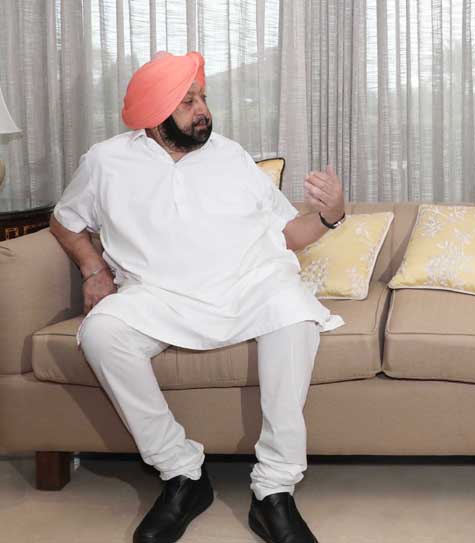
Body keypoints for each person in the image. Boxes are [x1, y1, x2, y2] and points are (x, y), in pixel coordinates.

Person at [49, 51, 345, 543]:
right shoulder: (105, 161)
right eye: (187, 101)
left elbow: (289, 234)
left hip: (249, 286)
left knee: (295, 314)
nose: (202, 108)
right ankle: (183, 474)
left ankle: (274, 490)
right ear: (153, 110)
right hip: (157, 295)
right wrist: (93, 268)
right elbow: (64, 220)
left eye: (202, 97)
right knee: (101, 332)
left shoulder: (230, 156)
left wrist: (332, 214)